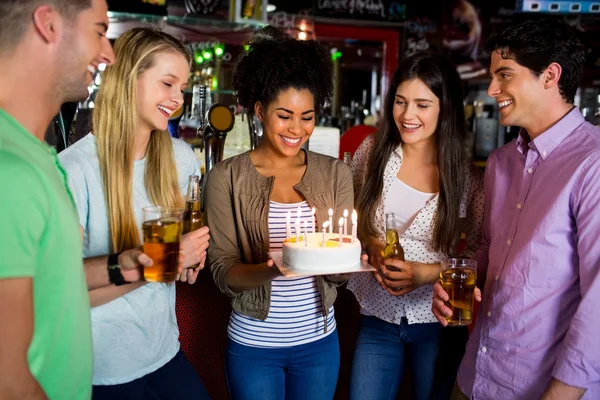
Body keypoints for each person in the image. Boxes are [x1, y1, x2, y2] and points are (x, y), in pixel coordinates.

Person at [432, 18, 600, 400]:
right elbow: (491, 250)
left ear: (550, 76)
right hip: (476, 375)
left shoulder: (593, 163)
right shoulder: (501, 162)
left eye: (504, 75)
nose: (492, 89)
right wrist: (455, 280)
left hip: (542, 387)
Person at [58, 27, 211, 399]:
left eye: (182, 87)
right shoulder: (74, 169)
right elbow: (60, 292)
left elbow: (182, 253)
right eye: (167, 84)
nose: (178, 98)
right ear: (129, 80)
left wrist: (191, 260)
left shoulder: (181, 158)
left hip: (163, 352)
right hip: (100, 368)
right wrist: (163, 266)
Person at [204, 26, 354, 400]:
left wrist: (346, 260)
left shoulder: (335, 173)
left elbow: (340, 274)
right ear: (259, 111)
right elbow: (223, 273)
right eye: (284, 116)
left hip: (319, 342)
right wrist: (274, 267)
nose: (297, 129)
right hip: (254, 346)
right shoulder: (226, 177)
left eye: (307, 116)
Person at [348, 52, 484, 400]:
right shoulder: (372, 153)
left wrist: (427, 273)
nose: (407, 115)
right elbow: (349, 220)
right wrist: (371, 246)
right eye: (400, 102)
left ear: (445, 108)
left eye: (422, 105)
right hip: (376, 315)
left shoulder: (467, 177)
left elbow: (480, 251)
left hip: (437, 322)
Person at [0, 0, 114, 398]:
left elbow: (50, 282)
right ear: (48, 23)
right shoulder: (10, 170)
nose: (109, 54)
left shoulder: (34, 155)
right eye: (100, 31)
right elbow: (8, 383)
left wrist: (124, 266)